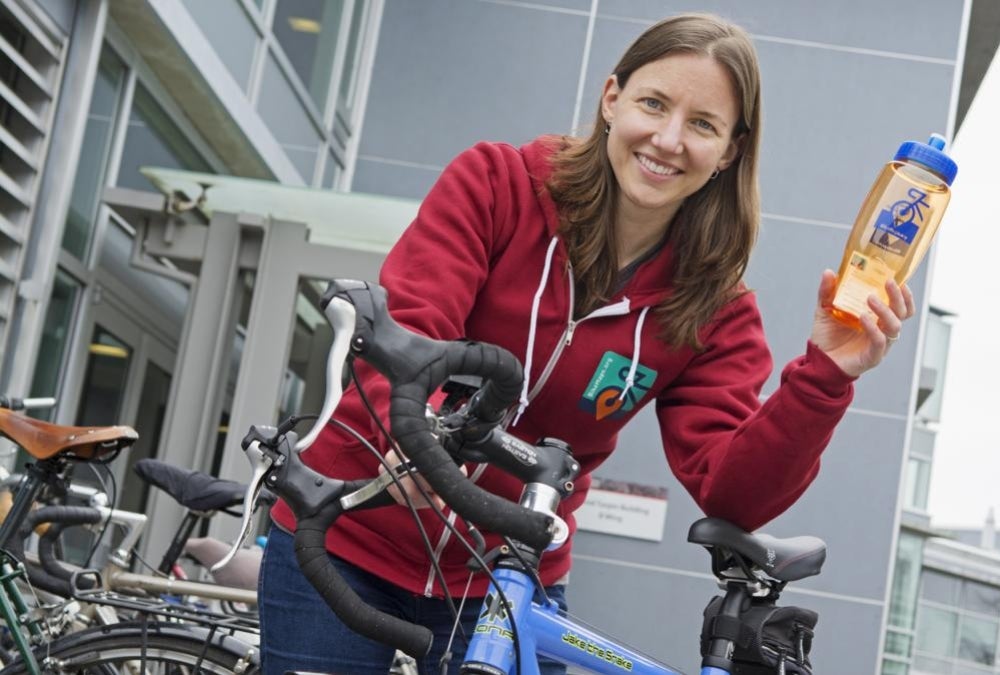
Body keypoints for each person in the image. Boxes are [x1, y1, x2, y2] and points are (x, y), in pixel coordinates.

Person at [258, 13, 914, 675]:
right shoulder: (497, 185)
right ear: (611, 99)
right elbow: (414, 323)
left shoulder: (714, 308)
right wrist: (409, 436)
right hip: (348, 530)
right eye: (653, 104)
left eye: (703, 124)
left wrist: (827, 372)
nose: (668, 139)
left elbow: (733, 492)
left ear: (730, 151)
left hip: (504, 579)